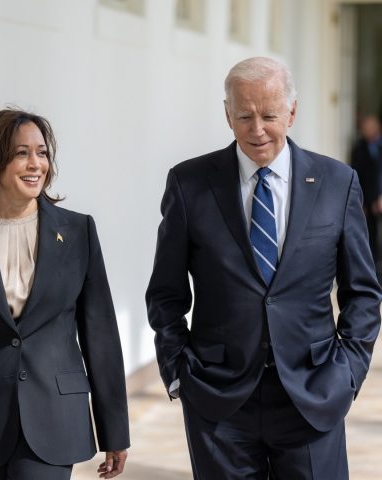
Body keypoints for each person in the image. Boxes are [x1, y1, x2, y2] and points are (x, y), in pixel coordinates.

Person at [146, 57, 381, 479]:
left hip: (314, 394)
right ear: (227, 115)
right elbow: (165, 293)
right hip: (218, 401)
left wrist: (347, 373)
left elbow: (362, 292)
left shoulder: (337, 182)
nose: (257, 130)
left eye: (269, 116)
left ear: (292, 112)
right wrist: (178, 371)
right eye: (244, 116)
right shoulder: (189, 183)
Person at [0, 109, 130, 480]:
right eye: (21, 153)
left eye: (42, 153)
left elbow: (101, 335)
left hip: (54, 417)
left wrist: (115, 431)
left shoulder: (78, 231)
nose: (36, 164)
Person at [351, 115, 382, 267]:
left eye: (370, 127)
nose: (367, 130)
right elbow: (355, 175)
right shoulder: (358, 149)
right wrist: (360, 201)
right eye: (365, 128)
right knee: (370, 233)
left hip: (380, 195)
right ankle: (374, 264)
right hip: (367, 199)